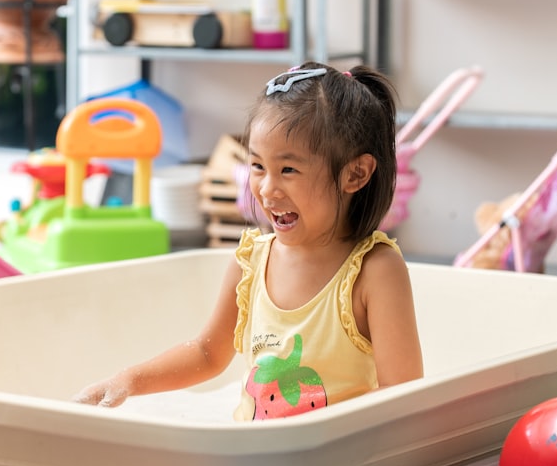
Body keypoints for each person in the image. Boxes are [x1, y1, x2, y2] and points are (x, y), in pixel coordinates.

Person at [74, 62, 423, 420]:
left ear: (355, 173)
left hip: (330, 465)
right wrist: (129, 380)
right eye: (257, 166)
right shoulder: (250, 262)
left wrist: (314, 432)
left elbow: (402, 392)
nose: (267, 189)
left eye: (288, 169)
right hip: (253, 459)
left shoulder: (374, 271)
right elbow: (207, 354)